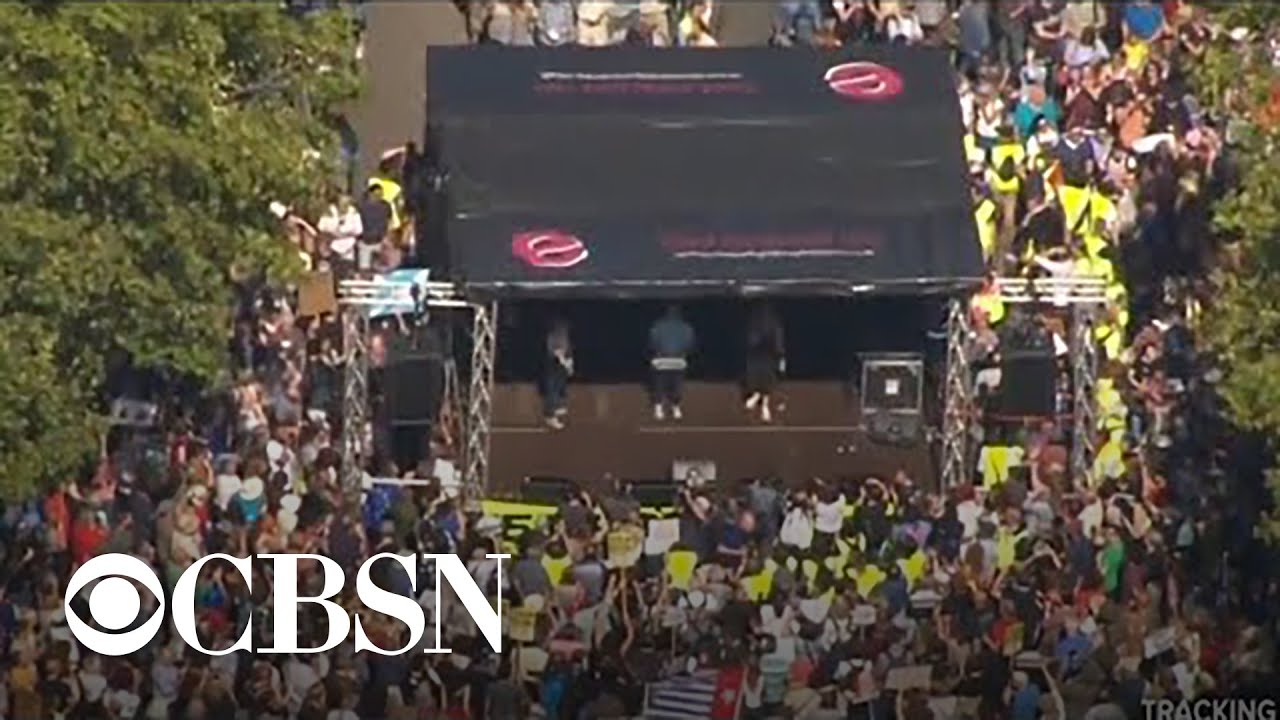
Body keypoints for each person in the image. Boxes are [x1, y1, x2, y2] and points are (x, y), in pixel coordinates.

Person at [649, 304, 694, 421]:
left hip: (660, 361)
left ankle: (658, 409)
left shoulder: (657, 326)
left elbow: (653, 342)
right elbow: (689, 344)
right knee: (677, 385)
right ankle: (676, 408)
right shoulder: (686, 327)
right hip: (679, 361)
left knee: (659, 385)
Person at [743, 303, 786, 423]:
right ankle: (760, 403)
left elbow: (778, 341)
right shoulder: (768, 324)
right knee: (764, 382)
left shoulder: (757, 324)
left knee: (763, 381)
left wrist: (781, 356)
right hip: (763, 357)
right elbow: (778, 342)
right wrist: (781, 357)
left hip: (763, 356)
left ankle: (762, 405)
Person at [542, 317, 574, 429]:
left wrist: (569, 364)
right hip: (553, 365)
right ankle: (550, 415)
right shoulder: (553, 336)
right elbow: (556, 352)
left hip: (561, 368)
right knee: (552, 389)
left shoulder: (565, 336)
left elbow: (568, 351)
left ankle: (557, 406)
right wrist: (565, 362)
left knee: (560, 386)